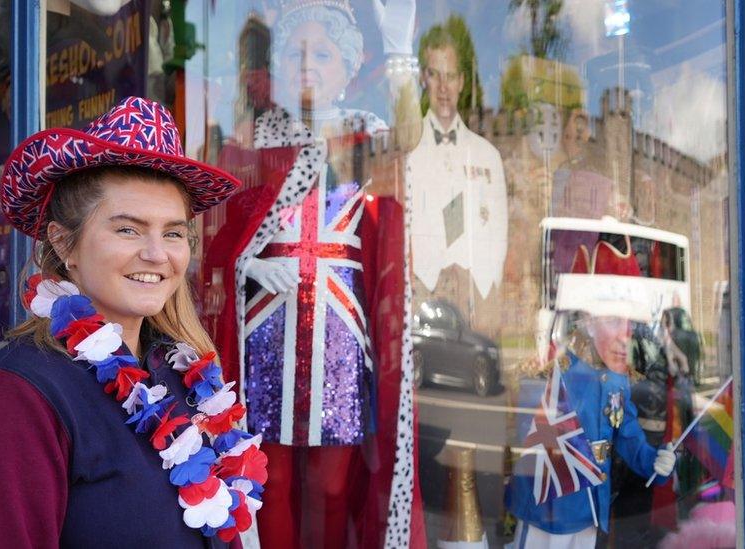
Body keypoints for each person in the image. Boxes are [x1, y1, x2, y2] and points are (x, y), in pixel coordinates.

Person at [0, 97, 264, 547]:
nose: (157, 254)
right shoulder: (13, 402)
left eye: (173, 232)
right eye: (127, 229)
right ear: (64, 243)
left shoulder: (181, 376)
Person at [200, 1, 424, 546]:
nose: (307, 64)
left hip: (341, 336)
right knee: (267, 480)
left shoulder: (368, 136)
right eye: (296, 51)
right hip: (267, 337)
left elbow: (411, 137)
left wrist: (401, 58)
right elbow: (215, 234)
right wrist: (248, 261)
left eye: (322, 53)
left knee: (332, 484)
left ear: (348, 66)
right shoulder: (251, 141)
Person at [506, 303, 677, 549]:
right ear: (588, 322)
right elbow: (532, 441)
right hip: (549, 510)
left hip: (592, 510)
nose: (626, 335)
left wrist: (656, 462)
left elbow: (628, 436)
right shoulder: (552, 371)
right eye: (614, 320)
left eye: (631, 324)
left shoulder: (617, 378)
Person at [408, 20, 508, 333]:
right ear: (424, 78)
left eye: (450, 76)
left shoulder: (487, 155)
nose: (443, 87)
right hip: (422, 292)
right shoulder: (408, 150)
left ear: (462, 82)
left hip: (477, 295)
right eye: (435, 74)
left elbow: (499, 230)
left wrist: (488, 286)